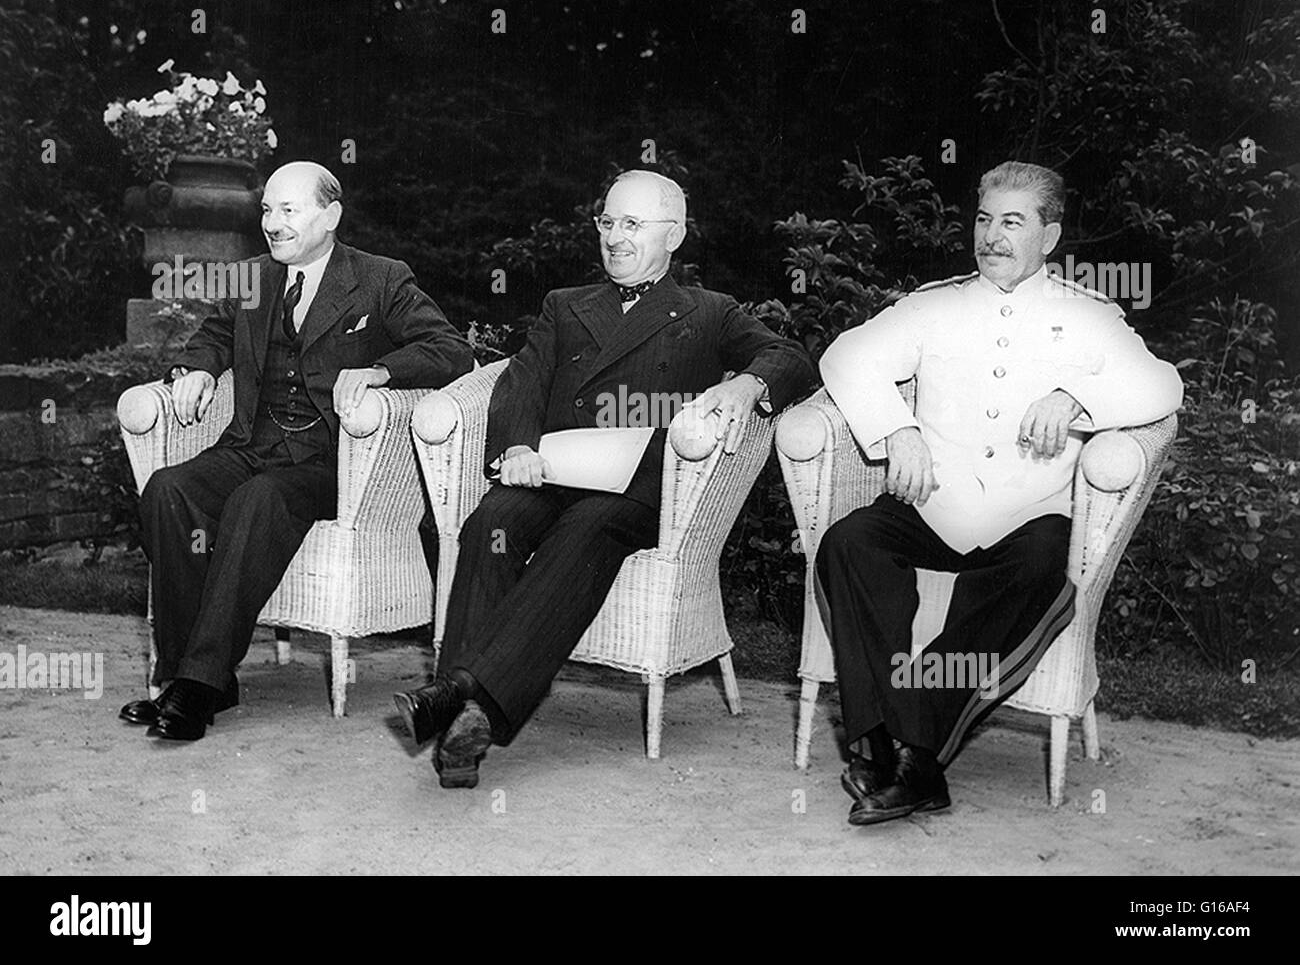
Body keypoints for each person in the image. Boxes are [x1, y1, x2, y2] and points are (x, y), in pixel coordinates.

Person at [393, 169, 815, 788]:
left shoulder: (709, 311)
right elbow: (521, 381)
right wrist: (516, 448)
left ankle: (458, 699)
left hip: (637, 491)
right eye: (608, 223)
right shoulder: (564, 305)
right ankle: (468, 716)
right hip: (555, 470)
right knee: (491, 522)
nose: (616, 238)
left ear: (673, 236)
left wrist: (748, 382)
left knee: (589, 529)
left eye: (633, 224)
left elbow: (792, 357)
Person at [814, 161, 1183, 825]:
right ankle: (879, 748)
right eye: (984, 219)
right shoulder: (933, 305)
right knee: (849, 542)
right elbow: (844, 356)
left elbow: (1164, 387)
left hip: (1026, 515)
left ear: (1050, 235)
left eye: (1012, 221)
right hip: (933, 503)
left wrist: (1079, 397)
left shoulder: (1089, 315)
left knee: (1044, 567)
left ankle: (909, 754)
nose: (991, 235)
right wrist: (897, 429)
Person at [119, 161, 475, 741]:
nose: (273, 224)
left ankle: (200, 685)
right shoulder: (252, 277)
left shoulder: (380, 279)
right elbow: (212, 335)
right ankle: (184, 674)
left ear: (330, 216)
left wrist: (382, 370)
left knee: (259, 498)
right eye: (267, 210)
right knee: (168, 489)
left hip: (331, 462)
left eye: (289, 210)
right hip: (251, 444)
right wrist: (196, 369)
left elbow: (450, 350)